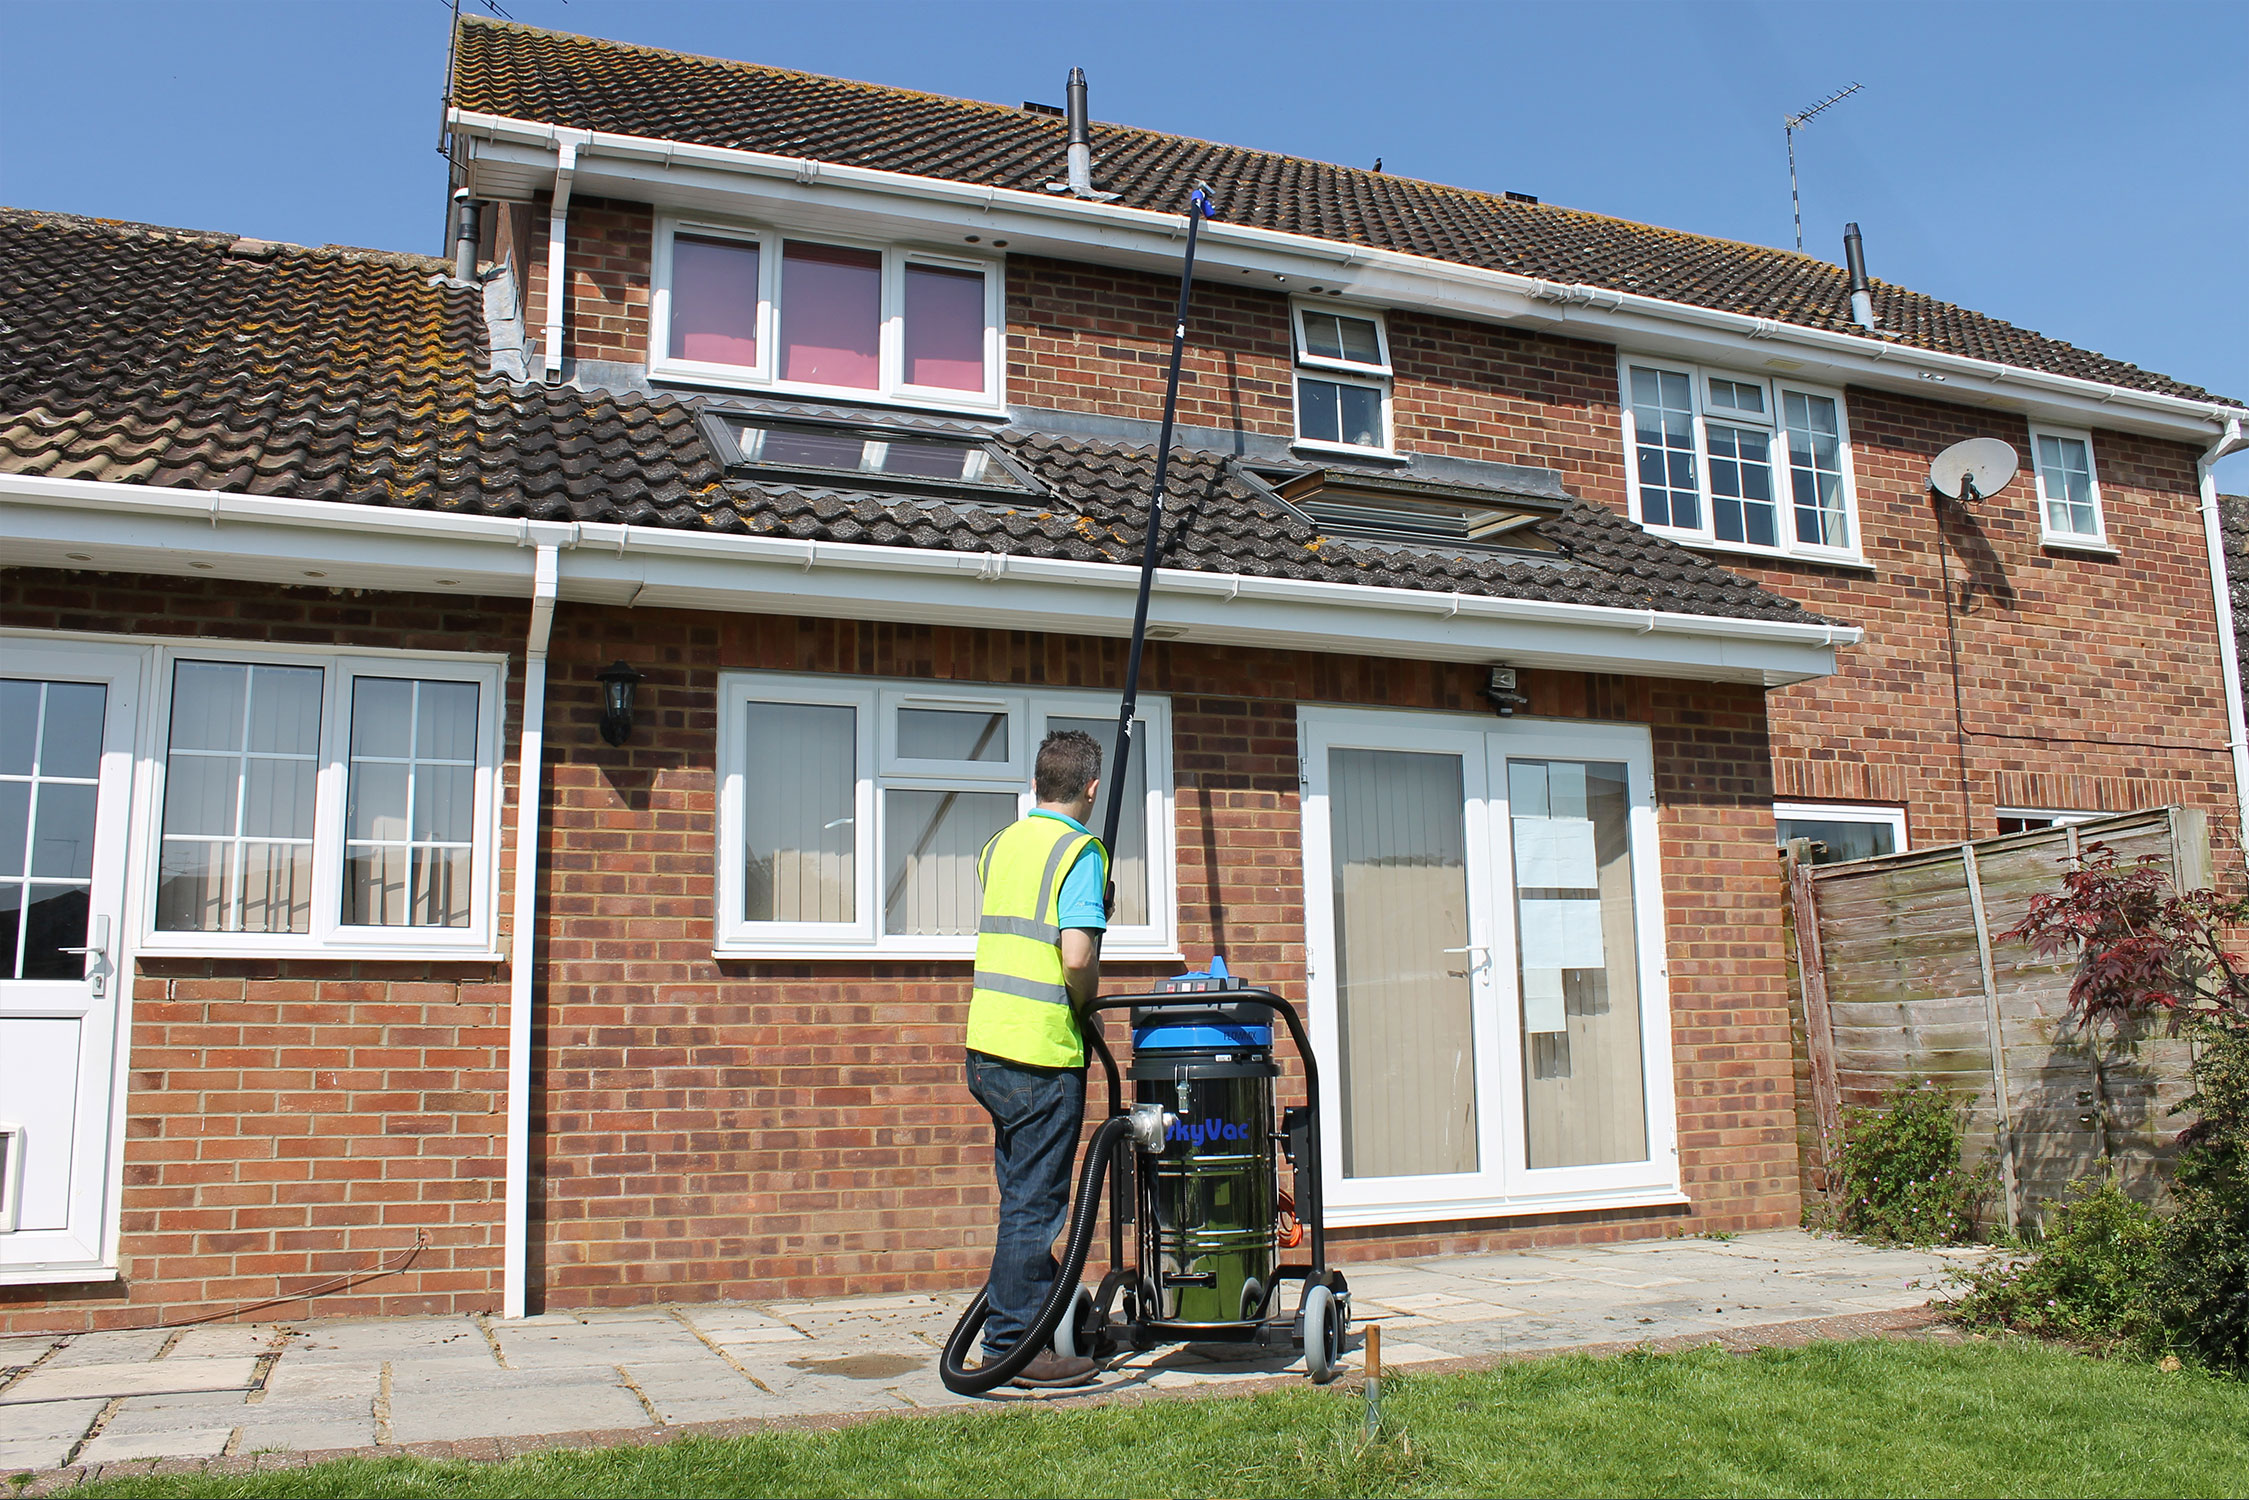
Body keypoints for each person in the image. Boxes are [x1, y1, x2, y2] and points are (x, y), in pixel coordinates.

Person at [964, 728, 1111, 1389]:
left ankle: (1035, 1314)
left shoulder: (1000, 845)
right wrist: (1087, 1002)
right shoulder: (1080, 851)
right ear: (1091, 788)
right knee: (1034, 1204)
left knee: (1020, 1196)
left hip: (987, 1045)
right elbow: (1075, 956)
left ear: (1035, 783)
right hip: (1040, 1051)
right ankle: (1013, 1349)